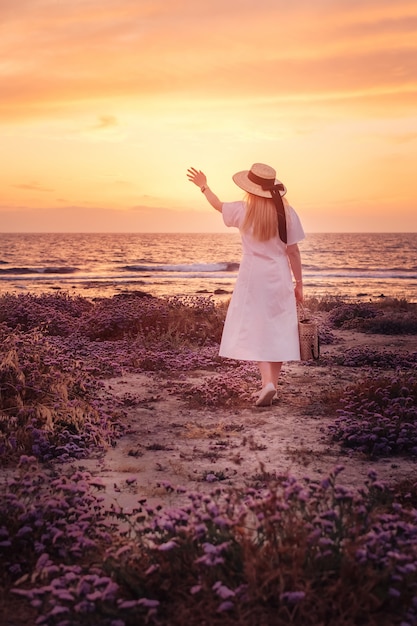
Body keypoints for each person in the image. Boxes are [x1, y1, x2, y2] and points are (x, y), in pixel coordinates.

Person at [187, 162, 304, 407]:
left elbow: (217, 205)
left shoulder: (243, 210)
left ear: (250, 189)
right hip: (279, 274)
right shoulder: (287, 212)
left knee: (258, 327)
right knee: (278, 328)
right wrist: (299, 284)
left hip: (253, 276)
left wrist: (203, 186)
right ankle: (272, 385)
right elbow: (293, 252)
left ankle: (267, 385)